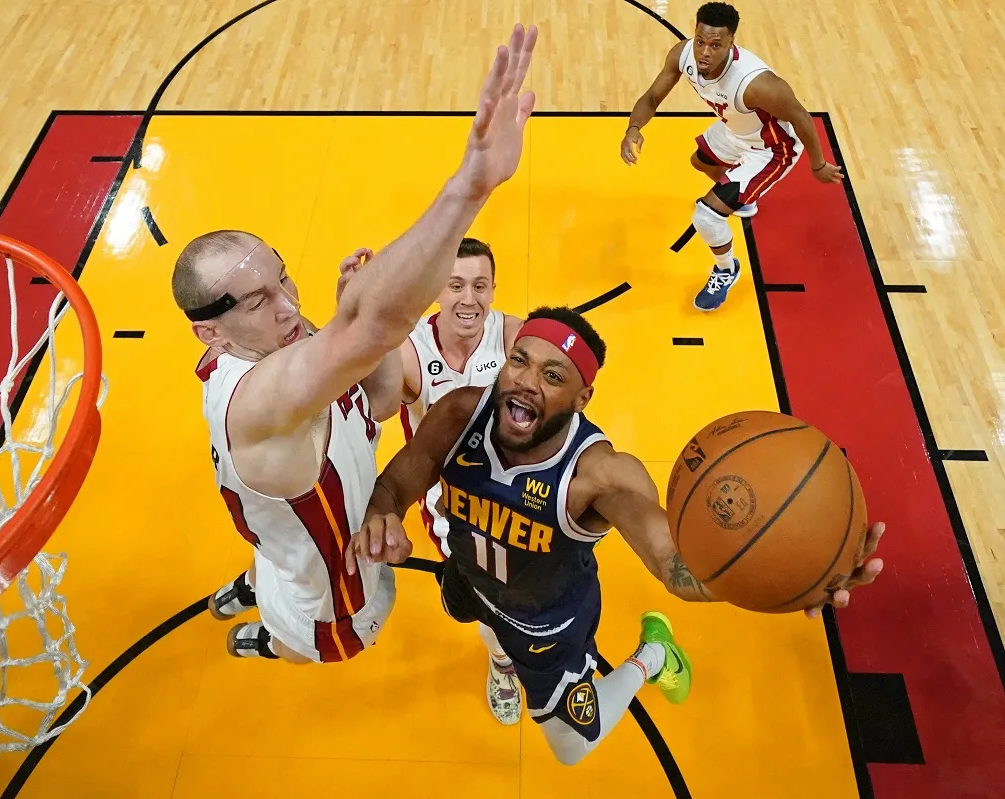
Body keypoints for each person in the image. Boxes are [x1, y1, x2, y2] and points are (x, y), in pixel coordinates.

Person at [345, 306, 886, 765]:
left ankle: (652, 656)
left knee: (571, 747)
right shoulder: (460, 412)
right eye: (520, 360)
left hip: (547, 621)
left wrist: (786, 574)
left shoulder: (601, 476)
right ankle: (502, 660)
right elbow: (398, 482)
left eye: (553, 376)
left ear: (582, 399)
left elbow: (676, 566)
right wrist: (380, 512)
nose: (526, 382)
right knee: (482, 625)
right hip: (470, 576)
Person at [171, 23, 540, 665]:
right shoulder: (256, 402)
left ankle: (253, 582)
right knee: (300, 641)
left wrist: (359, 341)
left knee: (273, 549)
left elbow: (380, 400)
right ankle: (269, 637)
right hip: (330, 603)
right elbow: (374, 327)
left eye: (283, 278)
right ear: (210, 333)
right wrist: (470, 187)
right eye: (258, 301)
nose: (290, 306)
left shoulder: (279, 342)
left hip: (283, 537)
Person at [621, 2, 844, 311]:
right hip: (735, 131)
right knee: (700, 161)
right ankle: (743, 199)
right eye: (700, 41)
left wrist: (817, 165)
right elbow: (652, 97)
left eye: (715, 45)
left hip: (772, 148)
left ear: (731, 43)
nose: (705, 52)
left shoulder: (756, 84)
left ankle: (726, 269)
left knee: (706, 217)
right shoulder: (682, 55)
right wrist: (633, 128)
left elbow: (801, 117)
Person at [398, 237, 525, 724]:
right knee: (490, 602)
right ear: (436, 288)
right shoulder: (410, 350)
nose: (468, 299)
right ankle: (501, 661)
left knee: (530, 590)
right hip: (451, 509)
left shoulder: (513, 336)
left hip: (518, 495)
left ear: (493, 289)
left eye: (479, 285)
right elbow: (375, 394)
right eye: (455, 285)